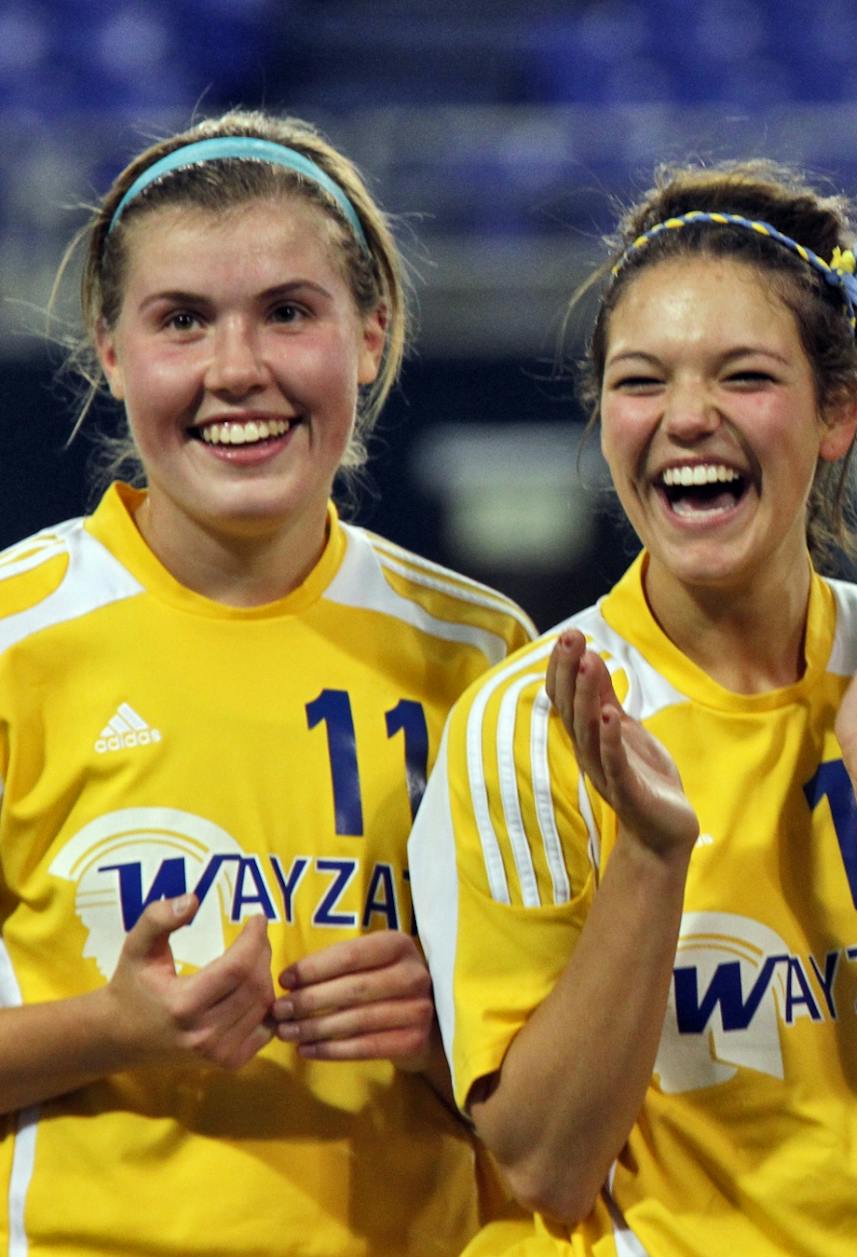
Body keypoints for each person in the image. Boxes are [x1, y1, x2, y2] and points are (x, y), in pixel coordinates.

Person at [408, 160, 857, 1253]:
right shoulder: (530, 723)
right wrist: (653, 860)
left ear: (837, 410)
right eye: (641, 381)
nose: (687, 418)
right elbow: (546, 1165)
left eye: (744, 376)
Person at [0, 111, 533, 1252]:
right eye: (181, 321)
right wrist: (113, 1027)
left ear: (372, 336)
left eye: (289, 313)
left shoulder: (485, 658)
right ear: (108, 348)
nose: (237, 371)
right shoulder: (12, 637)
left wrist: (443, 1034)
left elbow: (570, 1086)